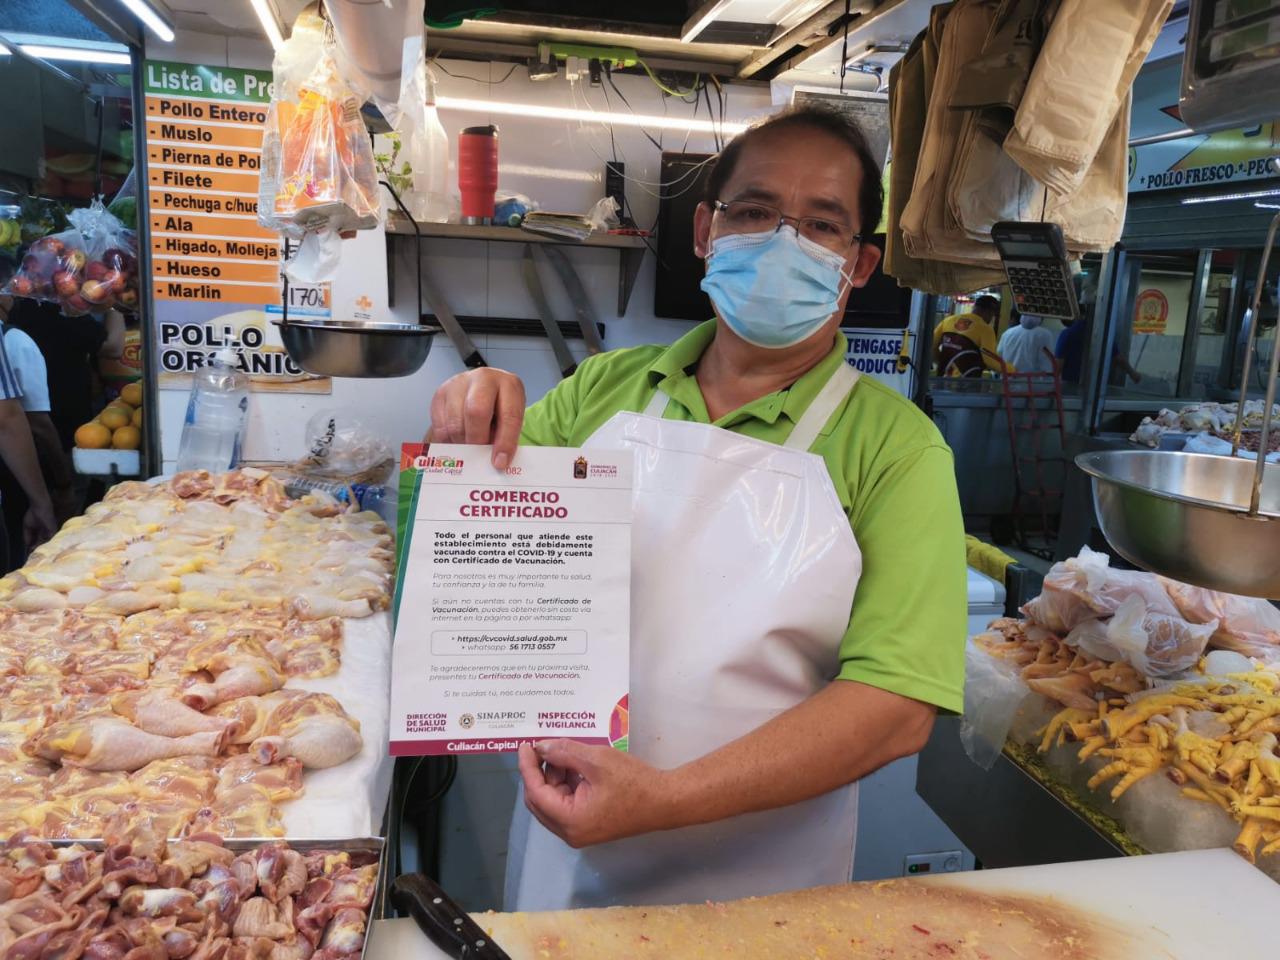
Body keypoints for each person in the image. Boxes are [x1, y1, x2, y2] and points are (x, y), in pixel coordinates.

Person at [426, 105, 966, 910]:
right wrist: (470, 420)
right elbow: (474, 548)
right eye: (754, 213)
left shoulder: (898, 449)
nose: (784, 243)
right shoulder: (601, 391)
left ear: (859, 264)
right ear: (706, 230)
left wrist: (666, 800)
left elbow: (894, 709)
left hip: (759, 883)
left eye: (821, 225)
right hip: (561, 847)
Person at [1056, 315, 1142, 385]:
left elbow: (1058, 364)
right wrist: (1133, 374)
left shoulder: (1067, 334)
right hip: (1095, 387)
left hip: (1071, 385)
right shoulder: (1102, 334)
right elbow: (1118, 359)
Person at [932, 294, 1003, 377]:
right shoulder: (985, 329)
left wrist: (941, 361)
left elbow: (931, 346)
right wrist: (1011, 369)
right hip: (966, 383)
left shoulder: (948, 321)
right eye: (992, 315)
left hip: (942, 380)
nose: (991, 319)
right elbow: (990, 361)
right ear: (989, 312)